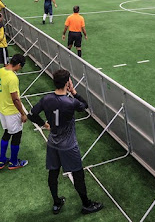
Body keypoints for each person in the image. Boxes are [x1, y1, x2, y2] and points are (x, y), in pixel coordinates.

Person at [28, 69, 103, 215]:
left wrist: (44, 124)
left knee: (53, 173)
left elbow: (31, 115)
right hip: (68, 146)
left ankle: (56, 202)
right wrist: (74, 92)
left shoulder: (46, 99)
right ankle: (86, 204)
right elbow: (84, 105)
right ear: (67, 83)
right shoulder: (71, 102)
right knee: (78, 174)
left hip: (52, 142)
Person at [0, 54, 28, 170]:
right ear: (19, 65)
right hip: (12, 112)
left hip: (2, 109)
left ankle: (2, 160)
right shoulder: (13, 78)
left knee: (6, 133)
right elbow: (15, 98)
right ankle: (14, 162)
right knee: (16, 135)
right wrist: (23, 113)